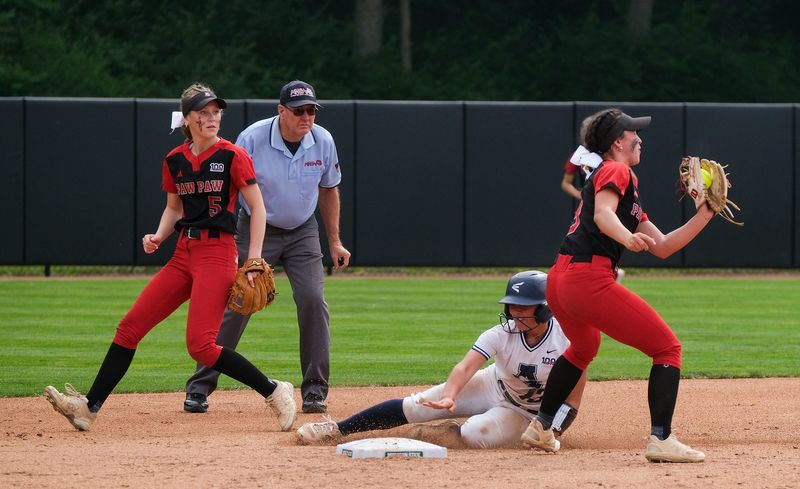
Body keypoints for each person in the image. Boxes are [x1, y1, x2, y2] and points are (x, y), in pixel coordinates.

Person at [44, 83, 296, 432]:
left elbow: (258, 208)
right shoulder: (175, 159)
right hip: (183, 253)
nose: (211, 118)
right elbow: (173, 208)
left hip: (217, 252)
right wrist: (159, 235)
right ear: (188, 119)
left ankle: (275, 390)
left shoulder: (232, 155)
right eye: (203, 113)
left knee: (201, 346)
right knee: (130, 328)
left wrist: (253, 261)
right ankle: (89, 407)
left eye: (215, 112)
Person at [520, 108, 713, 463]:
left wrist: (706, 213)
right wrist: (627, 237)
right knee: (667, 349)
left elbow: (665, 246)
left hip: (561, 280)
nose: (640, 138)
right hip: (586, 278)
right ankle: (661, 438)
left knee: (583, 346)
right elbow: (602, 215)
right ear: (617, 143)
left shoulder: (624, 185)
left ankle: (541, 426)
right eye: (633, 133)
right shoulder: (616, 169)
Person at [183, 80, 350, 415]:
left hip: (303, 230)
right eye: (299, 110)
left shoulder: (323, 140)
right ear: (281, 111)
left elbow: (329, 190)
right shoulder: (253, 138)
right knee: (237, 302)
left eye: (311, 111)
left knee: (313, 301)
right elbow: (231, 190)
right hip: (257, 228)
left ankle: (314, 391)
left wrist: (334, 240)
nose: (307, 117)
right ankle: (200, 387)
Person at [296, 271, 587, 449]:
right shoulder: (501, 333)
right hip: (493, 385)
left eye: (523, 307)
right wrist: (449, 396)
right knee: (418, 405)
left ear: (546, 309)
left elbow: (572, 401)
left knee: (476, 435)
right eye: (511, 306)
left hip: (526, 413)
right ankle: (338, 429)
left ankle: (447, 434)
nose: (514, 312)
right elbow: (465, 367)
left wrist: (548, 431)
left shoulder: (568, 340)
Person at [561, 114, 625, 283]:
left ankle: (611, 273)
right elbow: (566, 183)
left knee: (606, 239)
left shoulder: (612, 161)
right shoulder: (580, 155)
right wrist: (582, 195)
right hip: (592, 203)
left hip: (607, 201)